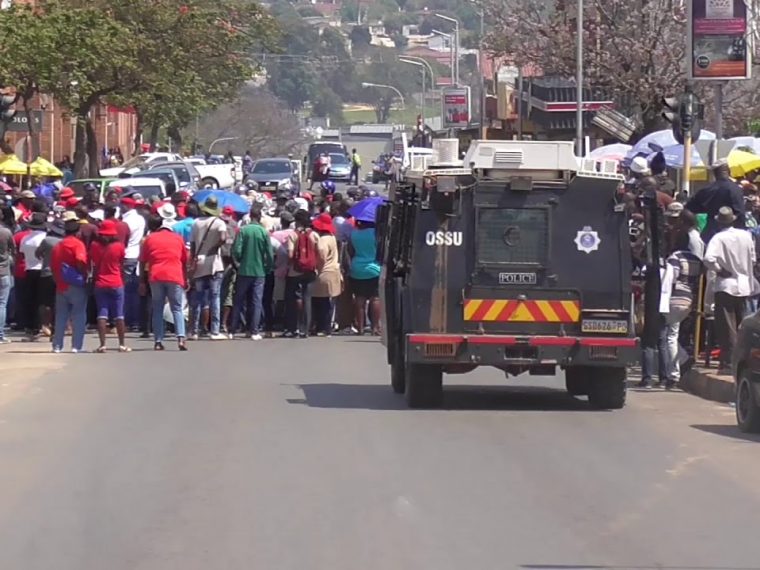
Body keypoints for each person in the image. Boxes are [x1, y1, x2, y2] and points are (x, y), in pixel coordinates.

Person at [703, 206, 758, 374]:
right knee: (742, 326)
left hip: (726, 286)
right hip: (744, 286)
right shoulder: (746, 236)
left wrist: (719, 269)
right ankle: (742, 360)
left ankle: (729, 363)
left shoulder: (718, 238)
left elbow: (708, 259)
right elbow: (753, 259)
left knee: (727, 327)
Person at [140, 214, 189, 351]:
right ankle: (181, 338)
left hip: (156, 275)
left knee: (158, 308)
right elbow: (184, 261)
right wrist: (186, 278)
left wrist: (142, 281)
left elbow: (143, 261)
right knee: (177, 308)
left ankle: (158, 341)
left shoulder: (150, 239)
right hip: (175, 275)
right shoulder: (178, 238)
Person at [230, 205, 273, 340]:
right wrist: (268, 268)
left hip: (244, 270)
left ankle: (232, 330)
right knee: (256, 301)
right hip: (259, 271)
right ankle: (254, 331)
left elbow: (237, 250)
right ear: (259, 217)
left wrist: (239, 262)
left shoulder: (243, 230)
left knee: (238, 300)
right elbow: (269, 254)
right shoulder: (263, 232)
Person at [189, 196, 228, 340]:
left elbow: (193, 245)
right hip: (214, 262)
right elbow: (223, 238)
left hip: (199, 260)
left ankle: (194, 331)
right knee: (215, 297)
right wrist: (214, 247)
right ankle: (215, 331)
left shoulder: (196, 223)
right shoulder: (219, 223)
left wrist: (193, 259)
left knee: (197, 298)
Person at [50, 212, 89, 353]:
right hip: (75, 283)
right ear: (77, 231)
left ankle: (57, 346)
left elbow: (52, 265)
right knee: (78, 315)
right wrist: (83, 273)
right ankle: (76, 346)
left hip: (60, 284)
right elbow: (80, 260)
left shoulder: (58, 245)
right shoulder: (78, 244)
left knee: (61, 316)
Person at [90, 219, 130, 353]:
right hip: (116, 281)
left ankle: (102, 345)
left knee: (102, 313)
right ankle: (122, 344)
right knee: (119, 314)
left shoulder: (94, 245)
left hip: (100, 282)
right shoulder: (119, 246)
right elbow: (121, 263)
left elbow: (93, 262)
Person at [687, 159, 745, 243]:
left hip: (711, 233)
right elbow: (741, 214)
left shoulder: (706, 190)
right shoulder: (736, 189)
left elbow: (689, 209)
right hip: (733, 235)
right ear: (729, 171)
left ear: (715, 173)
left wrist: (693, 228)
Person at [284, 209, 319, 337]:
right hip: (310, 271)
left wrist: (290, 264)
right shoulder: (314, 235)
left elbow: (290, 254)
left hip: (295, 271)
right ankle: (306, 328)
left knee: (295, 298)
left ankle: (295, 327)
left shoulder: (293, 235)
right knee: (307, 298)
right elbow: (319, 252)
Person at [348, 218, 382, 335]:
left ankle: (360, 328)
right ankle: (375, 327)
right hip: (374, 268)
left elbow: (351, 251)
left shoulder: (354, 233)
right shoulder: (376, 233)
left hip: (357, 268)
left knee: (359, 298)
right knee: (375, 298)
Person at [19, 212, 49, 340]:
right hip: (43, 270)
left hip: (30, 269)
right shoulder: (46, 238)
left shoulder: (25, 239)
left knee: (31, 300)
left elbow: (21, 253)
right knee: (44, 300)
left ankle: (32, 328)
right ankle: (45, 325)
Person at [311, 213, 342, 336]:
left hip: (324, 272)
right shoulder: (332, 237)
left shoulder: (322, 240)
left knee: (320, 302)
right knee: (328, 302)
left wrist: (317, 269)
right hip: (333, 271)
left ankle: (322, 327)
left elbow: (322, 257)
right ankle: (326, 327)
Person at [34, 218, 65, 338]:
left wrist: (46, 258)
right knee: (59, 302)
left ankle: (45, 325)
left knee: (45, 302)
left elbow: (37, 254)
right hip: (61, 274)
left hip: (47, 273)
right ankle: (57, 327)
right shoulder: (65, 241)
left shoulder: (47, 240)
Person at [120, 195, 146, 330]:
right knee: (134, 290)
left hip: (127, 254)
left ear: (126, 206)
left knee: (126, 290)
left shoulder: (126, 221)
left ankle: (128, 319)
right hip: (137, 253)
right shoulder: (140, 219)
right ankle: (135, 320)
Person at [0, 207, 14, 344]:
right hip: (3, 271)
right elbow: (13, 249)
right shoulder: (6, 232)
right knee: (2, 304)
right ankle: (0, 334)